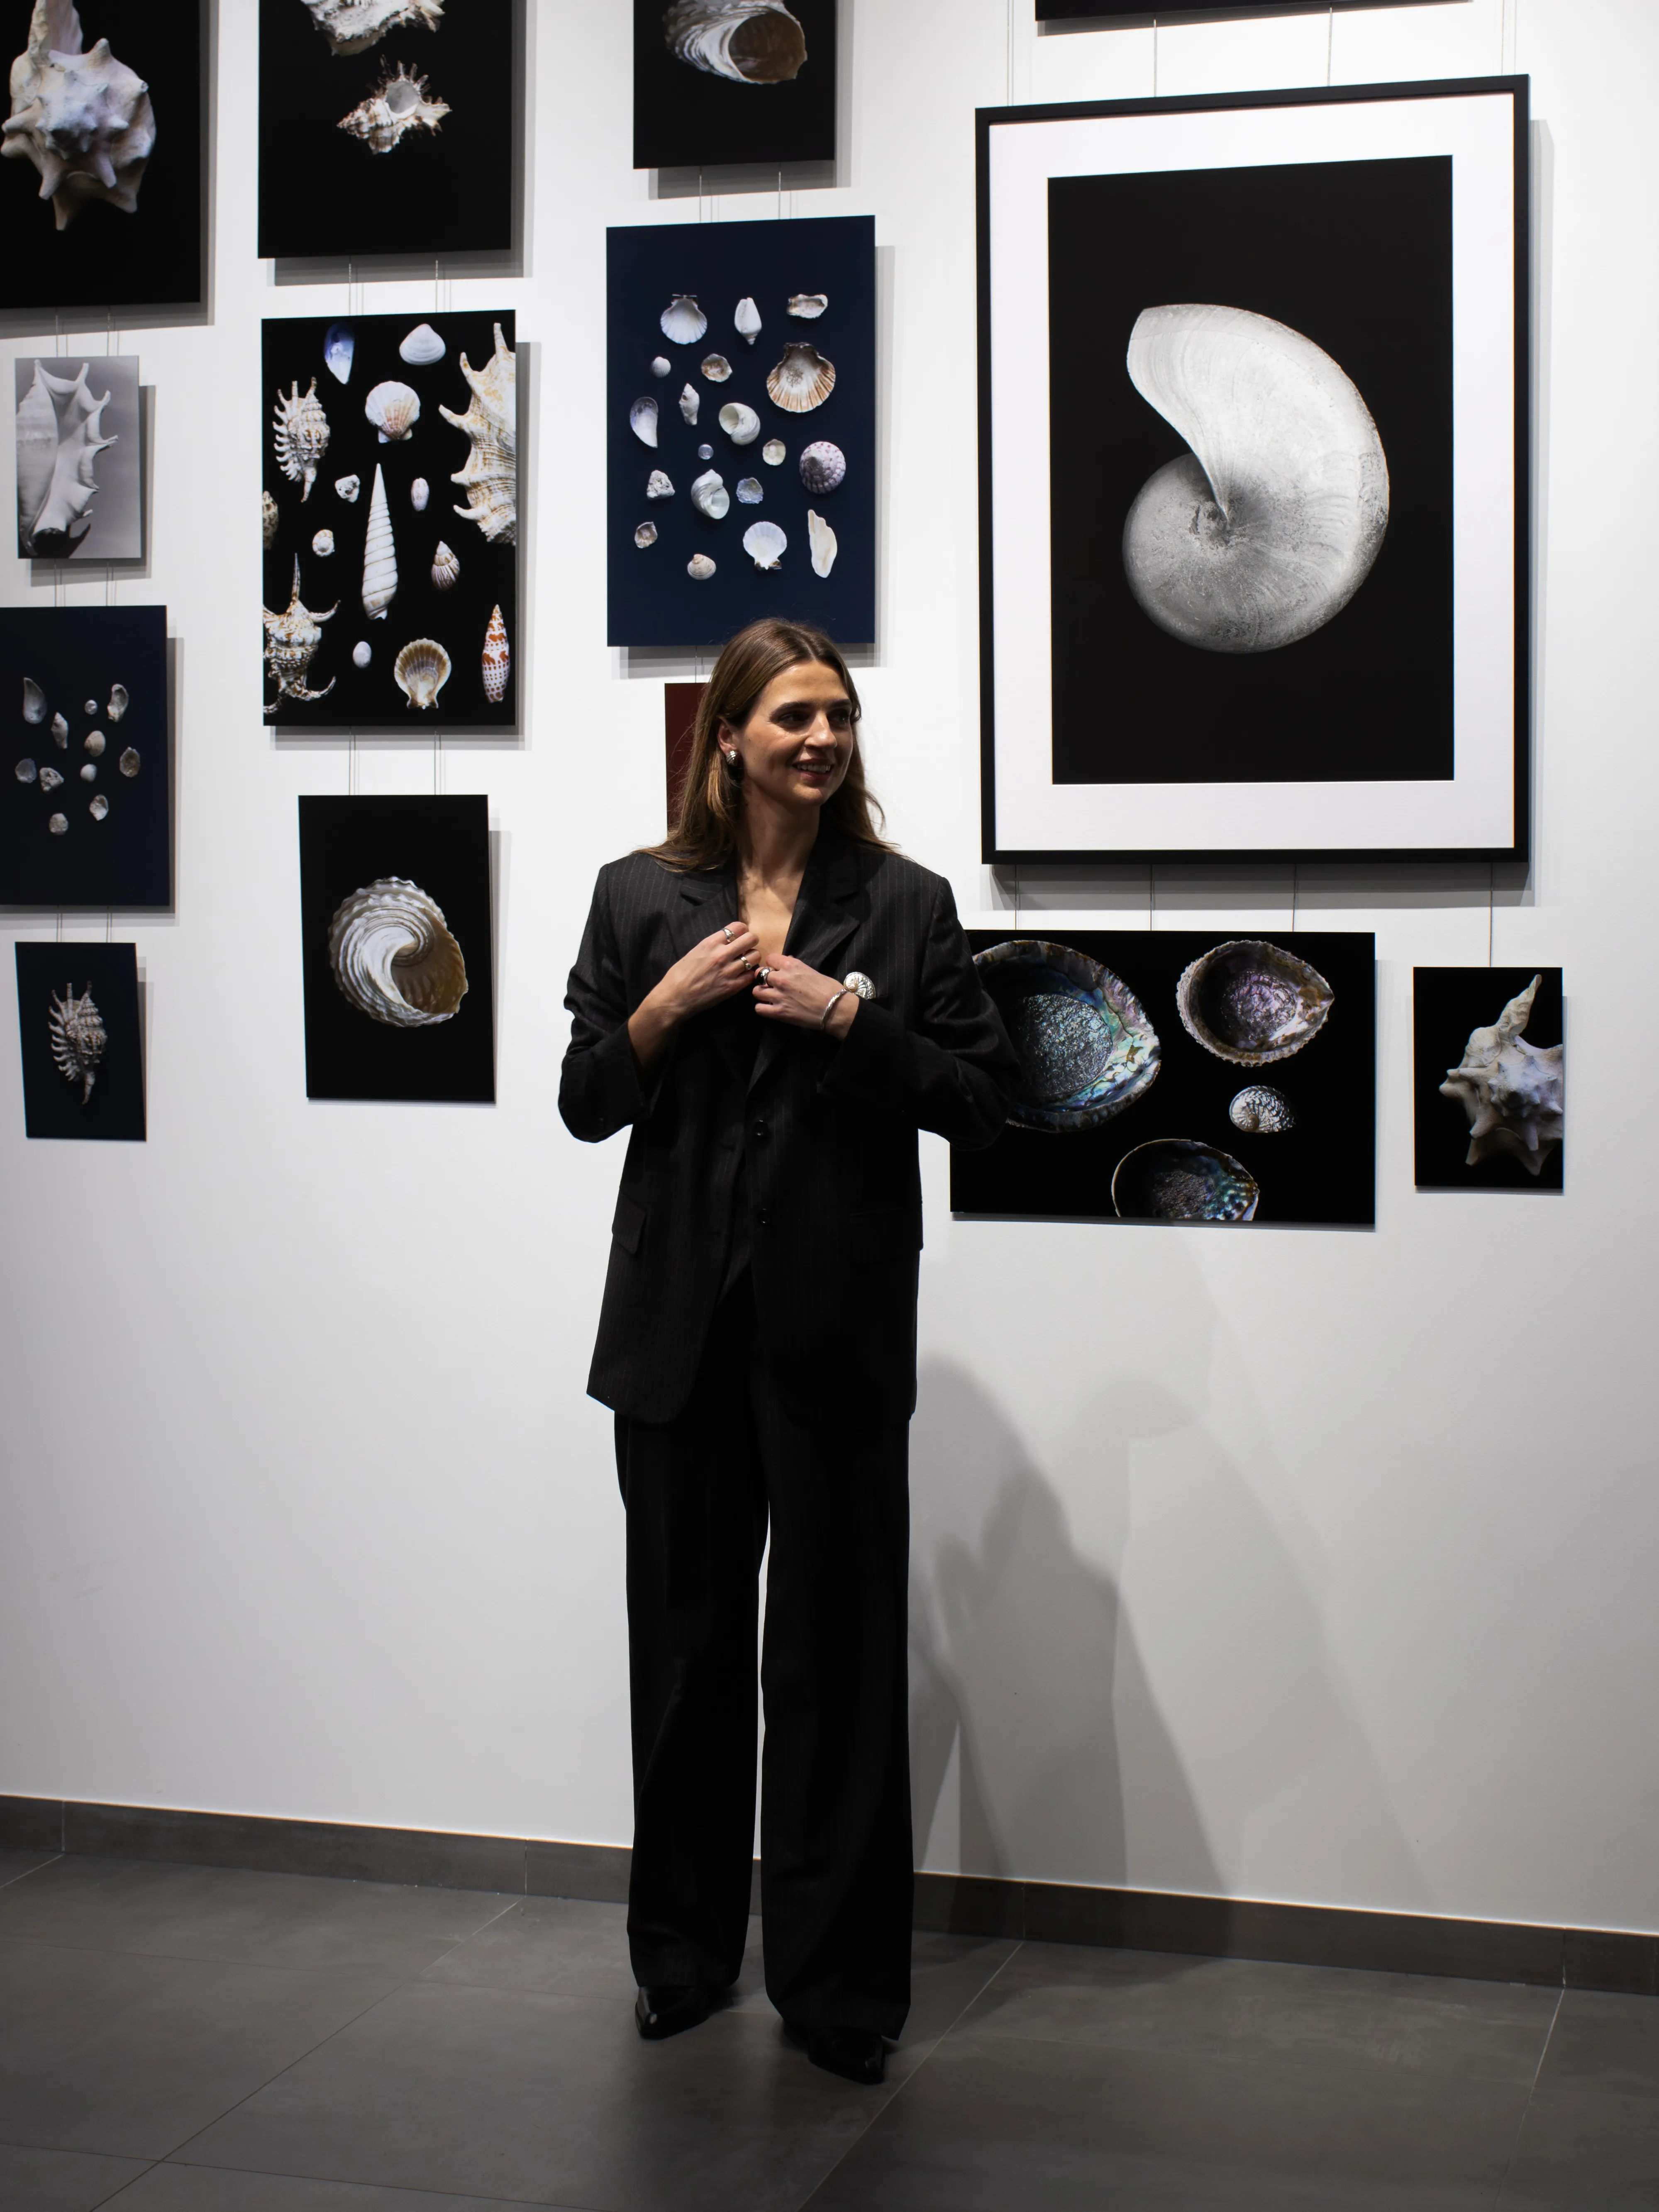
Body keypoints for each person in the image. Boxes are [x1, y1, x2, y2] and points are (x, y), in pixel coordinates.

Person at [559, 618, 1017, 2086]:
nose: (821, 740)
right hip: (677, 1342)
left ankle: (836, 1991)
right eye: (794, 718)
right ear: (732, 739)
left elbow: (986, 1099)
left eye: (839, 716)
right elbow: (582, 1100)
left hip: (834, 1339)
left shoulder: (905, 905)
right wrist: (664, 1006)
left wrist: (847, 1020)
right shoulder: (640, 897)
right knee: (686, 1658)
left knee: (832, 1665)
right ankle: (683, 1959)